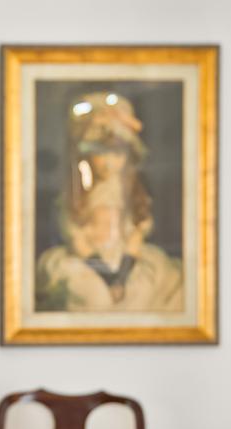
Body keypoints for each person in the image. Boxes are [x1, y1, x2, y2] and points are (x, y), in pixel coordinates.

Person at [35, 93, 184, 313]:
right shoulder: (78, 194)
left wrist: (121, 275)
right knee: (90, 295)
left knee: (142, 292)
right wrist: (107, 276)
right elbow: (78, 240)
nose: (108, 162)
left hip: (126, 259)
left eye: (117, 154)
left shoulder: (130, 194)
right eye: (100, 153)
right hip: (87, 259)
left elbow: (134, 236)